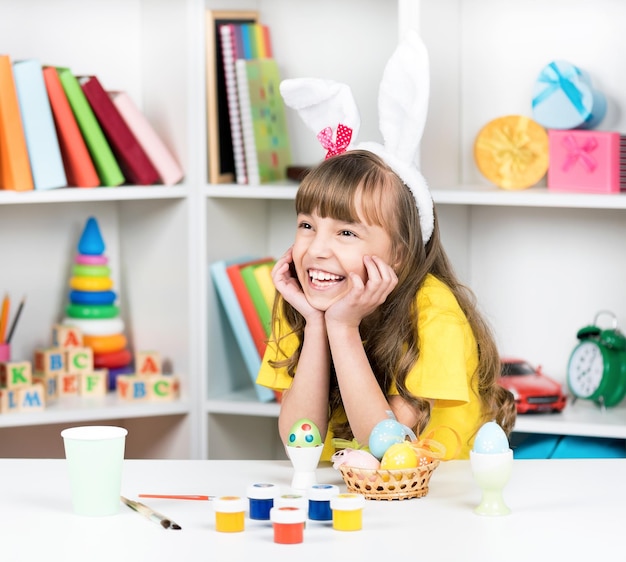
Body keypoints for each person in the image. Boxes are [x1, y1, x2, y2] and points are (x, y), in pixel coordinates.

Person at [256, 31, 516, 461]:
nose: (317, 249)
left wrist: (342, 327)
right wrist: (318, 326)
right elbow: (299, 440)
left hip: (430, 500)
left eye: (346, 232)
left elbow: (388, 449)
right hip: (356, 494)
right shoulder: (303, 304)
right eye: (307, 225)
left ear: (399, 252)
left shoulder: (434, 314)